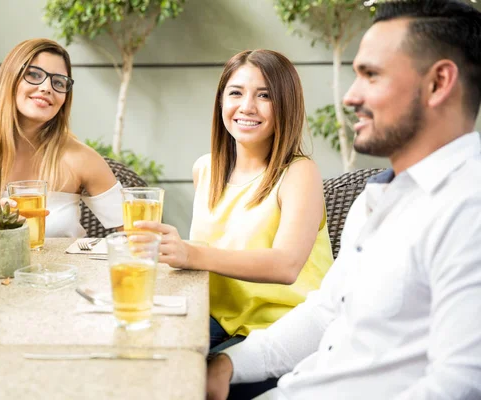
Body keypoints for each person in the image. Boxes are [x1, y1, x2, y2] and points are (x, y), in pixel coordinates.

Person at [206, 1, 481, 399]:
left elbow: (458, 386)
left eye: (371, 75)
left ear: (438, 83)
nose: (351, 96)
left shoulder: (468, 208)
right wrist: (229, 365)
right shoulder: (377, 198)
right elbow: (326, 313)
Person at [135, 50, 334, 353]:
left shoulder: (299, 172)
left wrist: (191, 254)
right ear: (221, 101)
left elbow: (286, 265)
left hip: (283, 330)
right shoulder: (206, 169)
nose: (247, 107)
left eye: (265, 96)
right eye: (236, 93)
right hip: (215, 320)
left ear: (286, 105)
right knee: (138, 351)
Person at [0, 38, 123, 239]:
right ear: (10, 78)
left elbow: (135, 230)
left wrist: (162, 241)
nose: (47, 88)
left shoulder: (81, 157)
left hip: (64, 270)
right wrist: (4, 224)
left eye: (58, 82)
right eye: (34, 75)